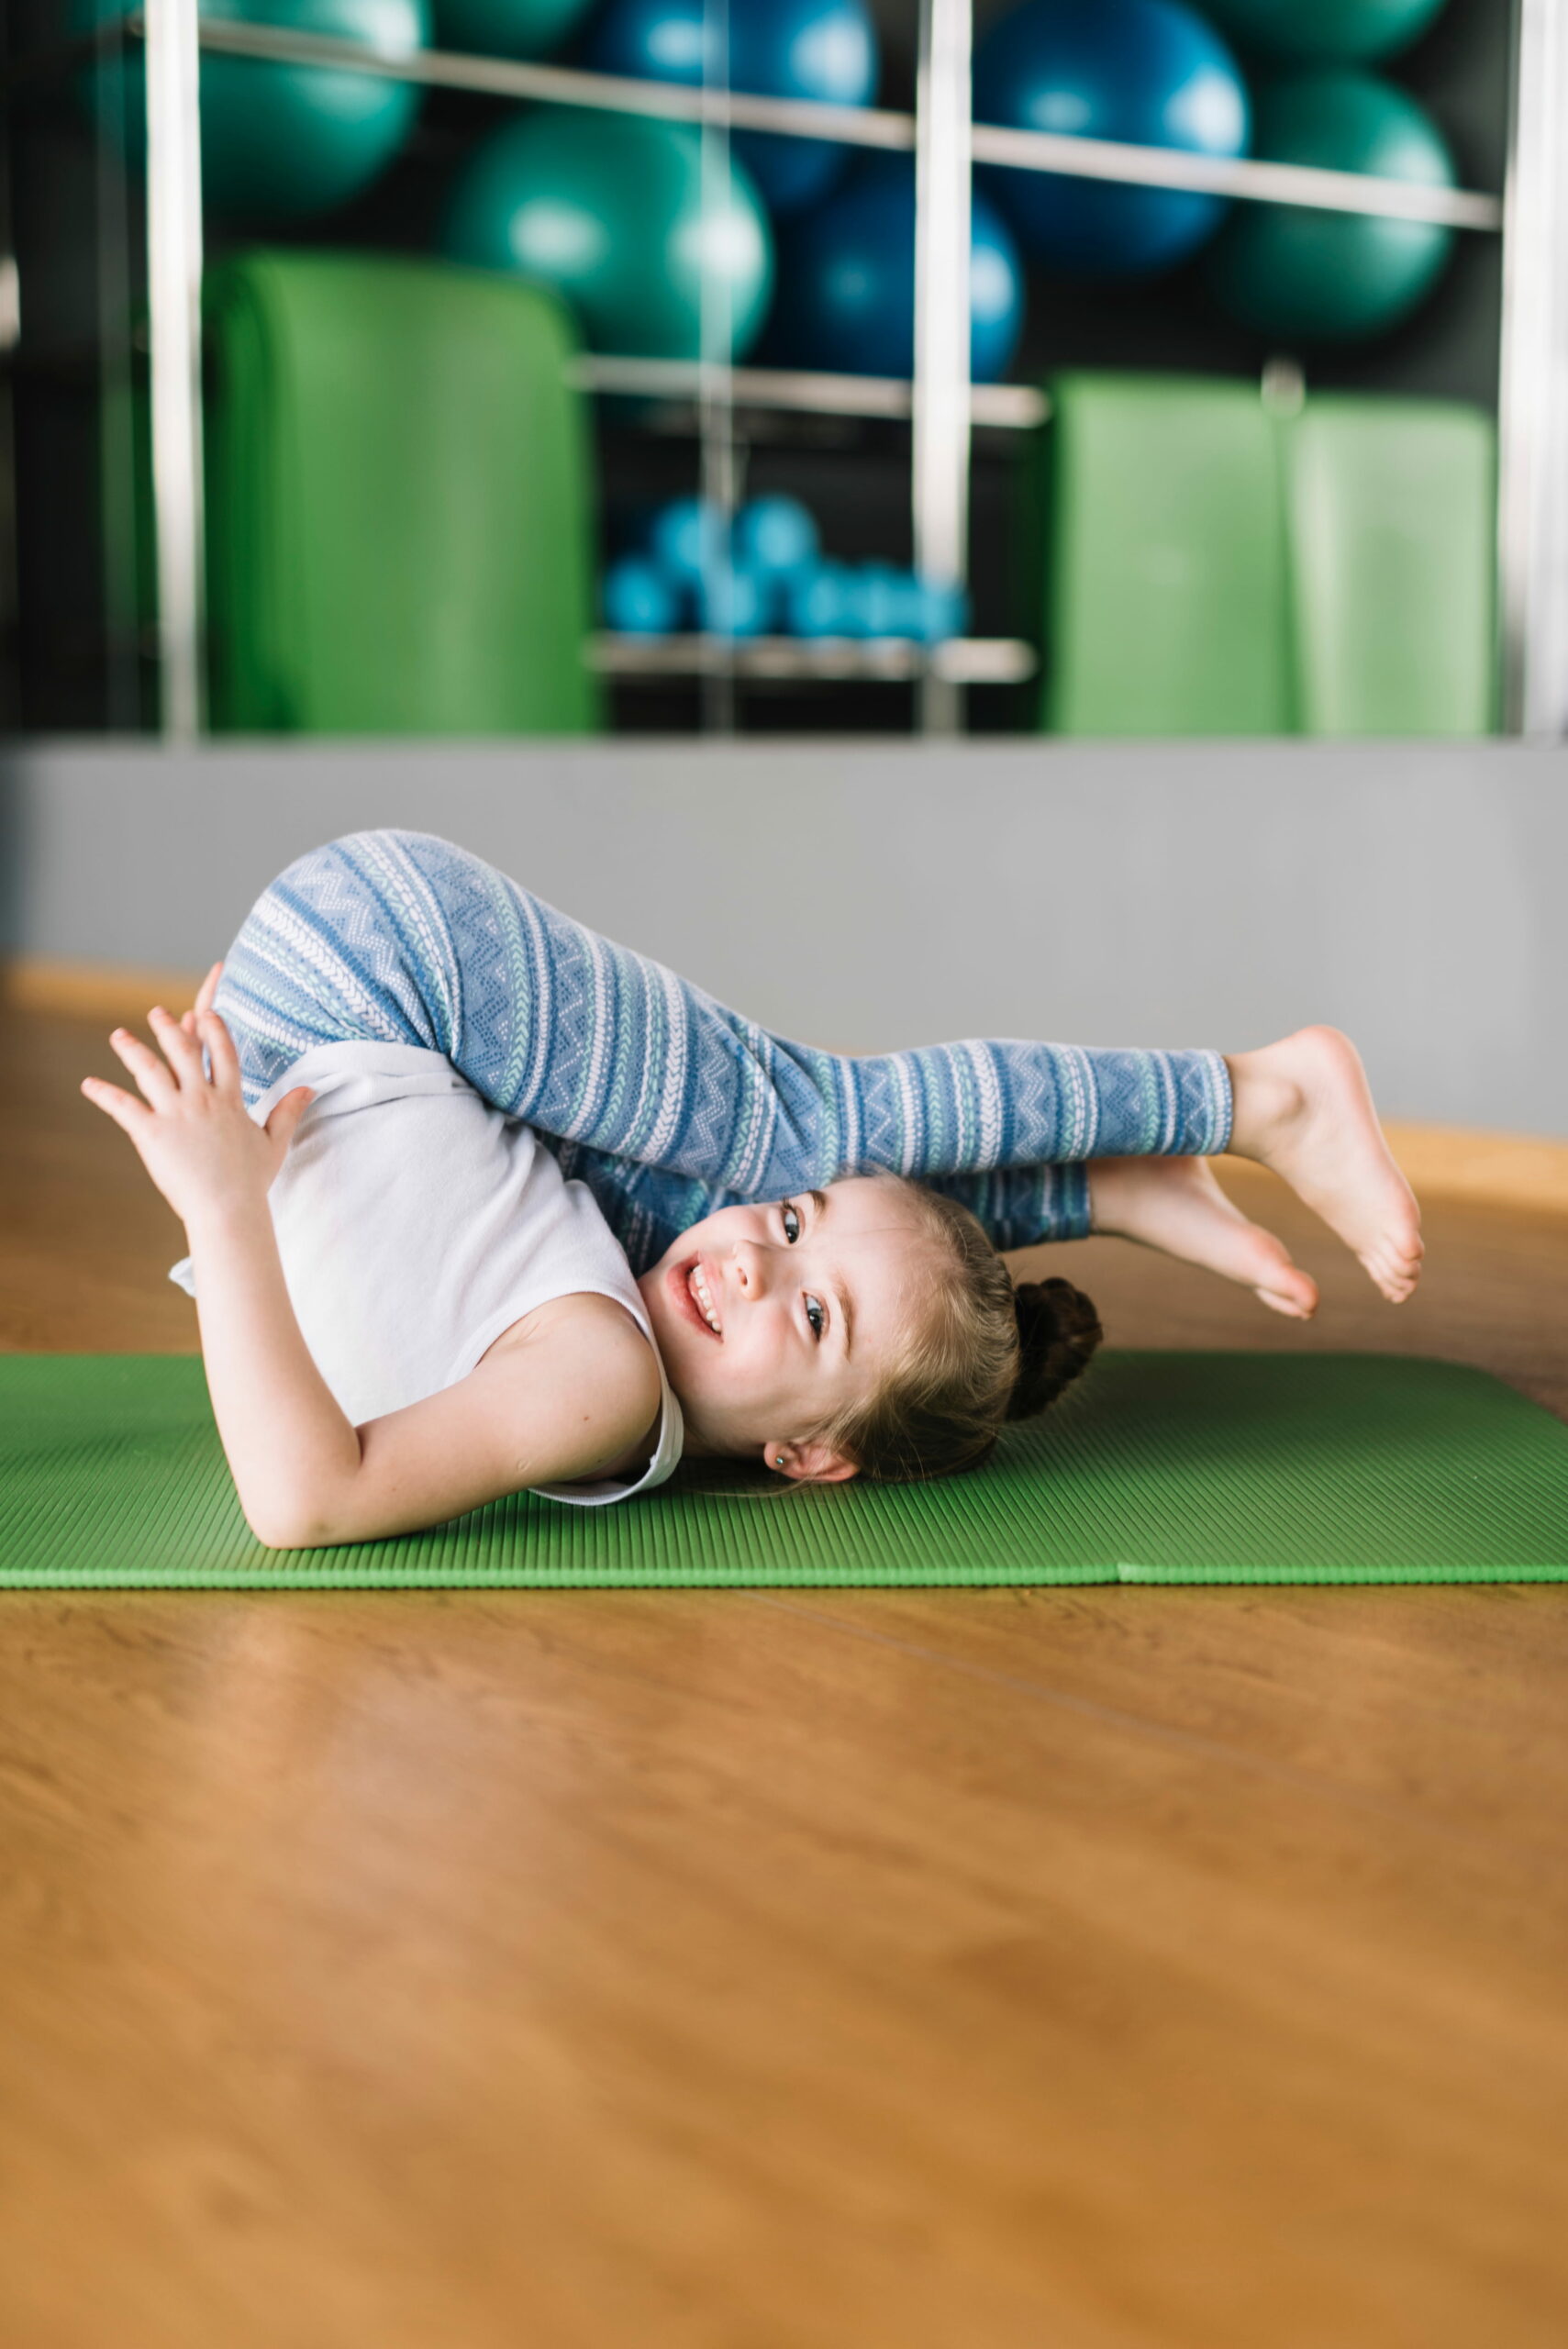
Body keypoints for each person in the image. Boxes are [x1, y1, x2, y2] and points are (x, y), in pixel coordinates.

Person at [80, 829, 1422, 1549]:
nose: (755, 1261)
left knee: (772, 1198)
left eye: (815, 1320)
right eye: (788, 1235)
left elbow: (305, 1497)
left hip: (311, 1039)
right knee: (805, 1136)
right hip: (388, 969)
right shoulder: (602, 1360)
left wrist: (224, 1204)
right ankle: (1257, 1093)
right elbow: (308, 1497)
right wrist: (225, 1207)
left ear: (809, 1455)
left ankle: (1108, 1182)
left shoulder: (605, 1352)